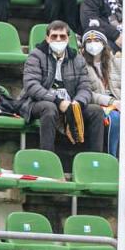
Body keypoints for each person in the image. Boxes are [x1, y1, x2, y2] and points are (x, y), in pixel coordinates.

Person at [21, 22, 104, 154]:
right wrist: (58, 102)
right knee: (49, 108)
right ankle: (47, 157)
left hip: (71, 102)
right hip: (37, 103)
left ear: (68, 39)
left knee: (96, 111)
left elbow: (85, 87)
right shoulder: (36, 56)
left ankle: (94, 158)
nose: (58, 39)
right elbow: (32, 86)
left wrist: (78, 102)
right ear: (47, 38)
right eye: (54, 36)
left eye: (62, 36)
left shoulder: (77, 59)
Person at [81, 30, 125, 161]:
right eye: (89, 42)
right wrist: (112, 102)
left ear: (104, 44)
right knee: (115, 118)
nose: (93, 44)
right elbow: (86, 93)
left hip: (123, 103)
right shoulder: (81, 65)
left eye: (97, 41)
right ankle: (111, 159)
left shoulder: (118, 63)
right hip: (102, 104)